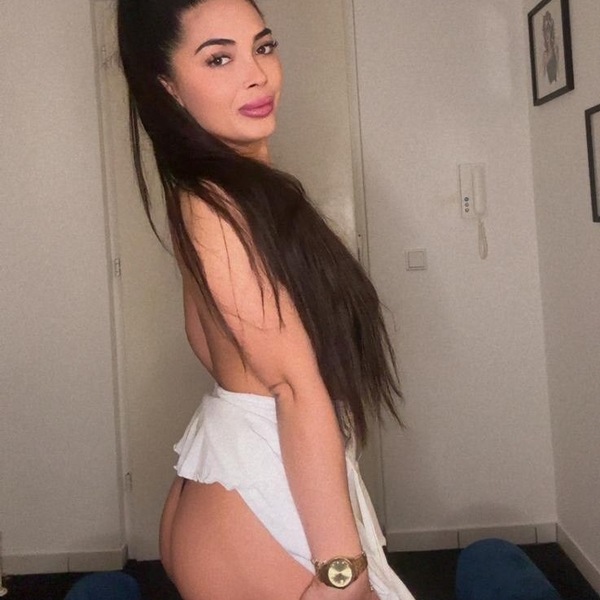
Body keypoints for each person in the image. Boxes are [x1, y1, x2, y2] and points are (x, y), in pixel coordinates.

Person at [117, 1, 415, 598]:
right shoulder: (219, 205)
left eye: (264, 46)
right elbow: (293, 385)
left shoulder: (216, 193)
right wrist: (341, 571)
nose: (257, 74)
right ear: (168, 85)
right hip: (262, 505)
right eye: (219, 59)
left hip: (240, 473)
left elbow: (213, 347)